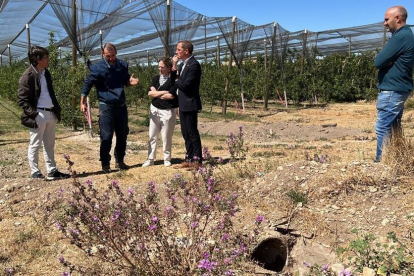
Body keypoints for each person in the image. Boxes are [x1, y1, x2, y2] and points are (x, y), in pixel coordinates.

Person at [80, 43, 139, 173]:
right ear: (103, 54)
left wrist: (130, 83)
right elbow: (87, 84)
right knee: (106, 136)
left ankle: (120, 160)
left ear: (116, 53)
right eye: (108, 56)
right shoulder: (97, 68)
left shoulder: (123, 65)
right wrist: (82, 101)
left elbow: (125, 82)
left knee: (122, 134)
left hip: (121, 105)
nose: (111, 58)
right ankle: (105, 163)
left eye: (113, 55)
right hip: (106, 106)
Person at [18, 46, 70, 180]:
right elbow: (22, 100)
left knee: (49, 144)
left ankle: (52, 170)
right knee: (35, 143)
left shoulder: (46, 73)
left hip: (51, 112)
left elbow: (50, 93)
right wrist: (35, 115)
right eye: (46, 57)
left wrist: (56, 110)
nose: (48, 59)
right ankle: (35, 172)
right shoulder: (27, 75)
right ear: (37, 59)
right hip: (39, 114)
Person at [374, 6, 414, 162]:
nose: (384, 23)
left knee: (383, 126)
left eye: (386, 19)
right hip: (399, 88)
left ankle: (382, 162)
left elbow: (378, 61)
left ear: (398, 18)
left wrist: (388, 61)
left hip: (392, 89)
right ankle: (395, 159)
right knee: (393, 126)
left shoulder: (400, 37)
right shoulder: (407, 35)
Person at [142, 57, 178, 167]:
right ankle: (150, 158)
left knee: (166, 136)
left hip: (167, 111)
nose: (160, 69)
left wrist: (156, 93)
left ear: (168, 68)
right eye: (159, 67)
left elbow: (171, 95)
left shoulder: (173, 79)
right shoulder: (156, 78)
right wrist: (163, 92)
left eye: (162, 67)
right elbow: (149, 93)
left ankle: (167, 158)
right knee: (152, 135)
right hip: (155, 108)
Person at [172, 40, 203, 167]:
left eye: (178, 50)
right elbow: (175, 81)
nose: (176, 52)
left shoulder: (194, 65)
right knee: (185, 132)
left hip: (190, 103)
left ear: (186, 51)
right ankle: (189, 158)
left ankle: (197, 160)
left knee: (192, 132)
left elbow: (186, 85)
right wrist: (174, 66)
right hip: (183, 103)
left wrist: (176, 78)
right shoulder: (182, 65)